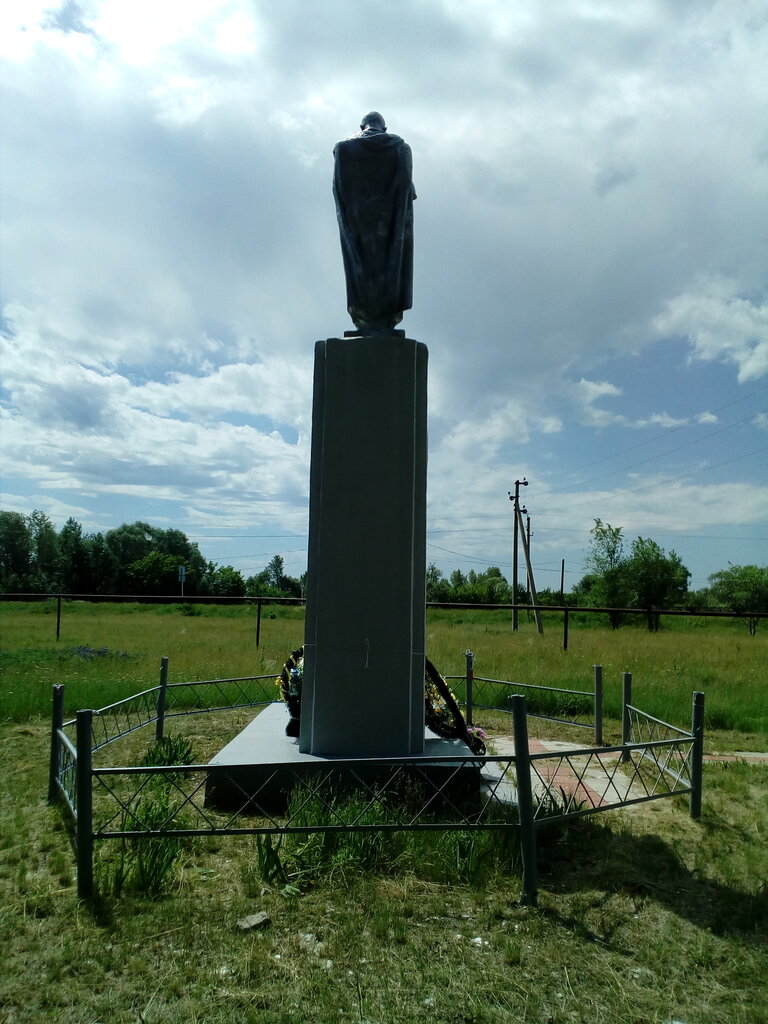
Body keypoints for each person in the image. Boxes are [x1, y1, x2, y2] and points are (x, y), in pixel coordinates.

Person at [333, 112, 416, 333]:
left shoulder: (343, 150)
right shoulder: (401, 149)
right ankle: (387, 317)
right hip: (391, 225)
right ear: (384, 128)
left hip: (357, 222)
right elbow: (407, 193)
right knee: (392, 265)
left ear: (362, 126)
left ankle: (363, 316)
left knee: (358, 265)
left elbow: (339, 191)